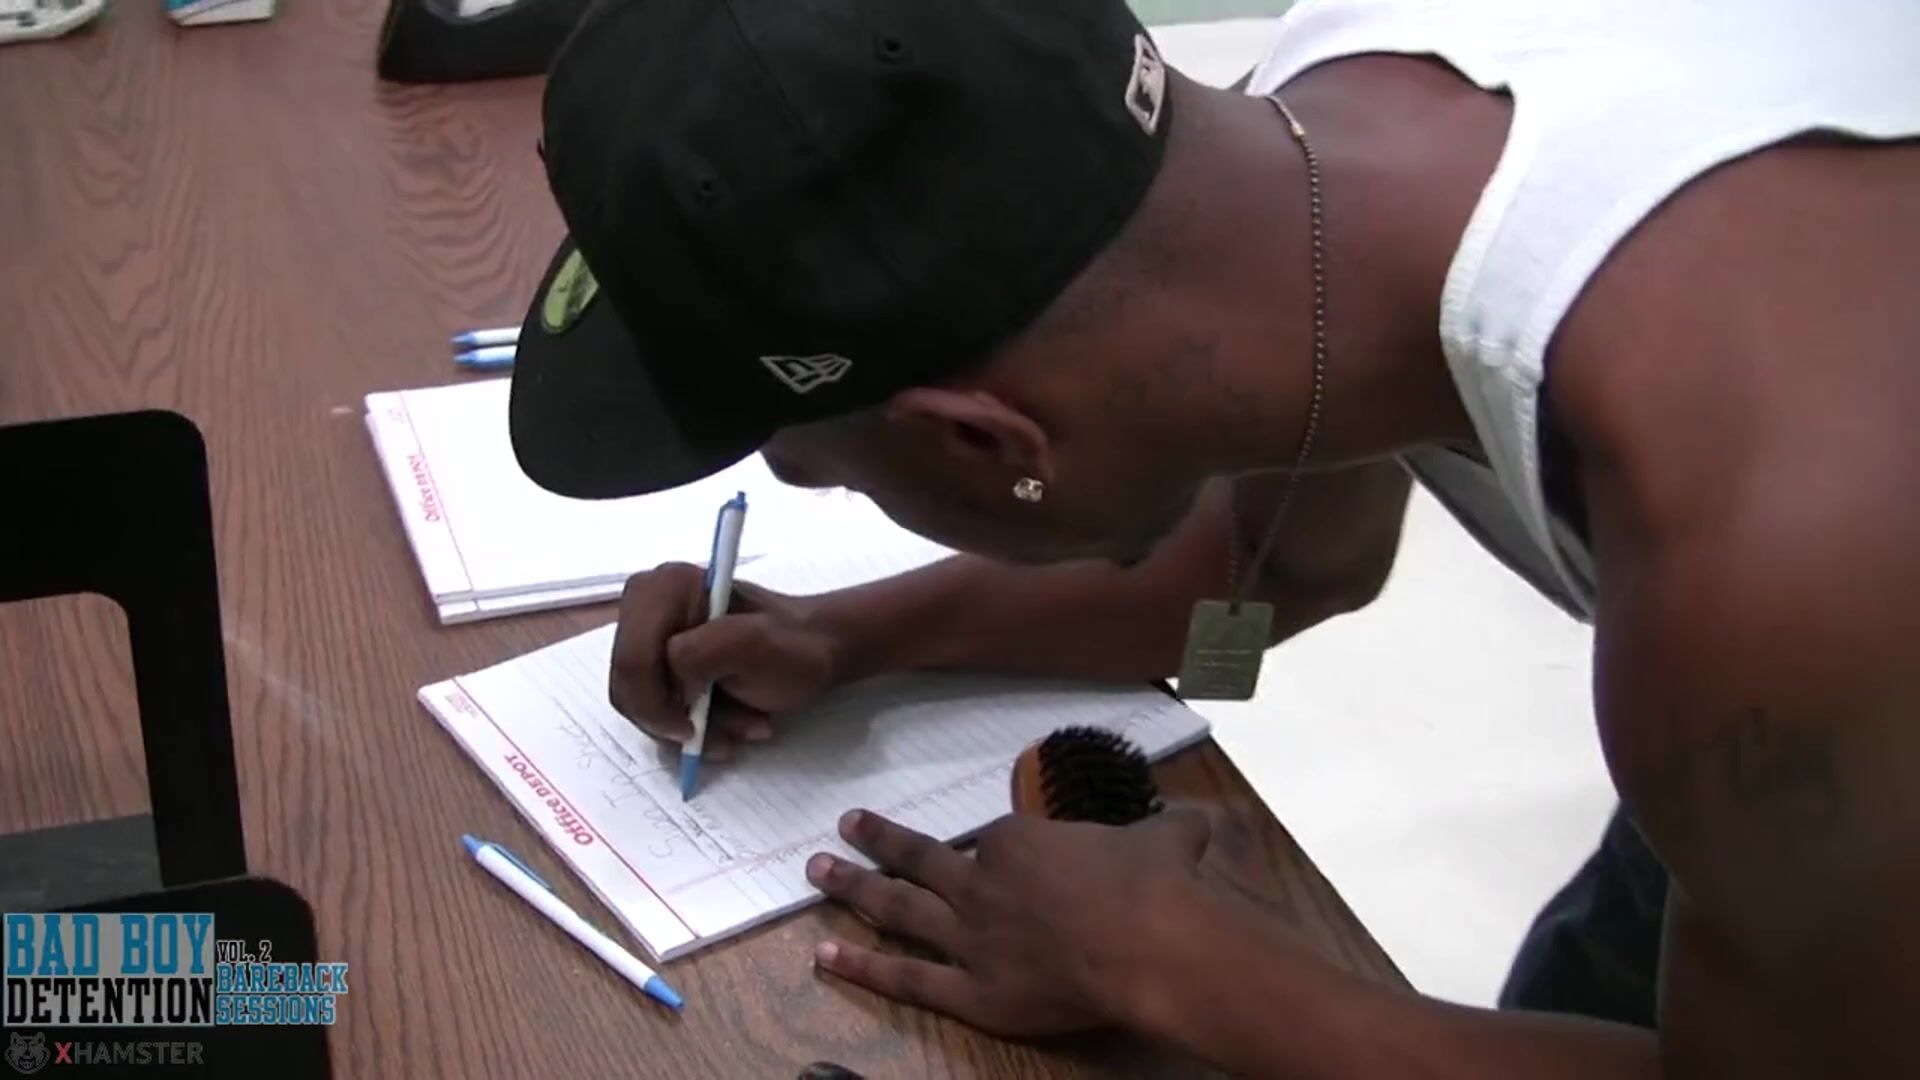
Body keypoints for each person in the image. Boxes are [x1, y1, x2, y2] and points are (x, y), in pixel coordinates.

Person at [505, 0, 1920, 1074]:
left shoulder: (1776, 573)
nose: (825, 495)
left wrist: (1182, 970)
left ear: (991, 442)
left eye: (816, 472)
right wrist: (848, 636)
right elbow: (1288, 562)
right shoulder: (1329, 129)